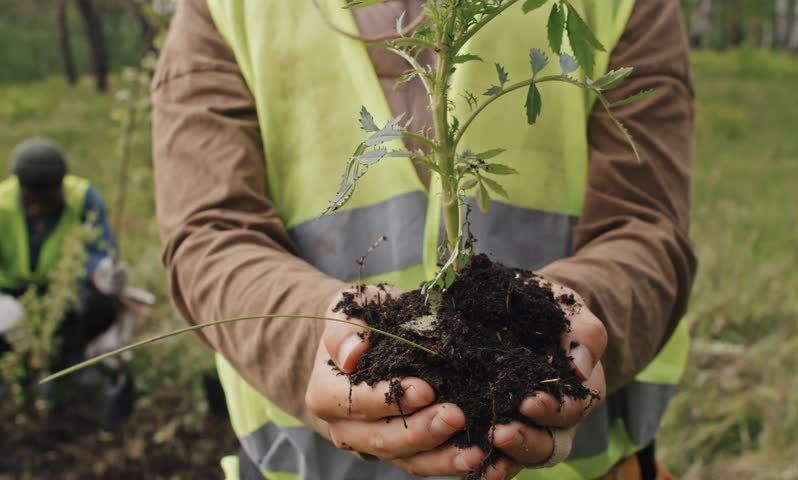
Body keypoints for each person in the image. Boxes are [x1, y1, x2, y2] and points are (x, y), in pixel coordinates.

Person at [152, 1, 696, 479]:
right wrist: (315, 344)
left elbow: (645, 225)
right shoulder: (222, 7)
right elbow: (208, 232)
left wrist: (577, 323)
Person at [0, 137, 133, 429]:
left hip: (63, 290)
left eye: (44, 200)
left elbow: (99, 246)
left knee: (100, 303)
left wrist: (101, 271)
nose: (35, 209)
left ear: (59, 187)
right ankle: (14, 375)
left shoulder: (83, 198)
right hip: (10, 294)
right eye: (28, 199)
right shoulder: (1, 204)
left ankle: (68, 362)